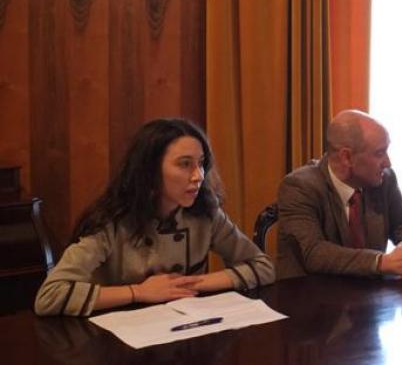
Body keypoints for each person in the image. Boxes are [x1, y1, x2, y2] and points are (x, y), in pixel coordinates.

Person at [34, 118, 274, 317]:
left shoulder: (206, 214)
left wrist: (191, 284)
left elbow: (263, 266)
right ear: (149, 170)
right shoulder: (112, 221)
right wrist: (138, 292)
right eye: (185, 164)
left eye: (201, 164)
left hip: (183, 330)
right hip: (119, 341)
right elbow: (50, 296)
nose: (198, 176)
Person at [277, 109, 402, 279]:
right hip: (309, 295)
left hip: (369, 296)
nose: (388, 163)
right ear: (347, 157)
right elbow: (314, 253)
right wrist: (381, 262)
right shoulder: (299, 187)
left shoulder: (385, 180)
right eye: (379, 153)